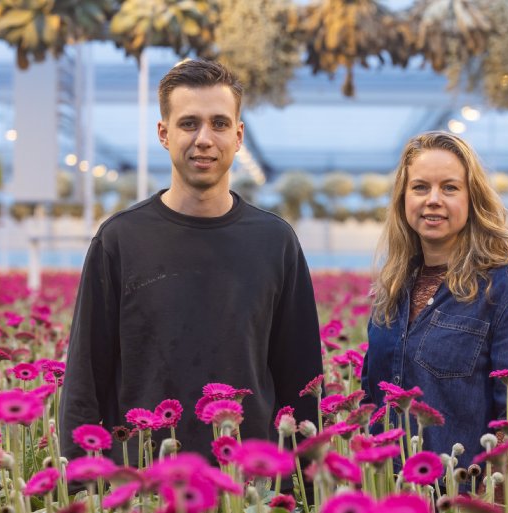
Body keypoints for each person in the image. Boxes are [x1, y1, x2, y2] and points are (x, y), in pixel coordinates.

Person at [59, 60, 323, 470]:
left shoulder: (275, 241)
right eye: (188, 124)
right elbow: (84, 378)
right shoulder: (120, 241)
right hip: (145, 484)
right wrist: (80, 485)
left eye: (219, 123)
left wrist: (303, 486)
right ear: (164, 134)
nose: (204, 139)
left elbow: (301, 380)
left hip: (251, 486)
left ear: (238, 136)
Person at [362, 131, 508, 485]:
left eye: (450, 188)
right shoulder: (392, 290)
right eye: (420, 187)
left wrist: (489, 500)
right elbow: (372, 400)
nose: (433, 200)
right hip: (388, 496)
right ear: (403, 199)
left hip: (462, 499)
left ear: (473, 200)